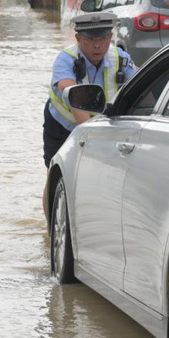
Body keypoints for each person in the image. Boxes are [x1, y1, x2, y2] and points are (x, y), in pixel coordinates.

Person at [42, 12, 138, 216]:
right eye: (91, 39)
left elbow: (141, 88)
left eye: (102, 39)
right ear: (78, 38)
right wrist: (88, 133)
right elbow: (72, 93)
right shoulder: (65, 59)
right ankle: (51, 233)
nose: (97, 46)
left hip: (104, 128)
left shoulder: (121, 59)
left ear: (110, 37)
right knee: (55, 177)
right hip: (62, 126)